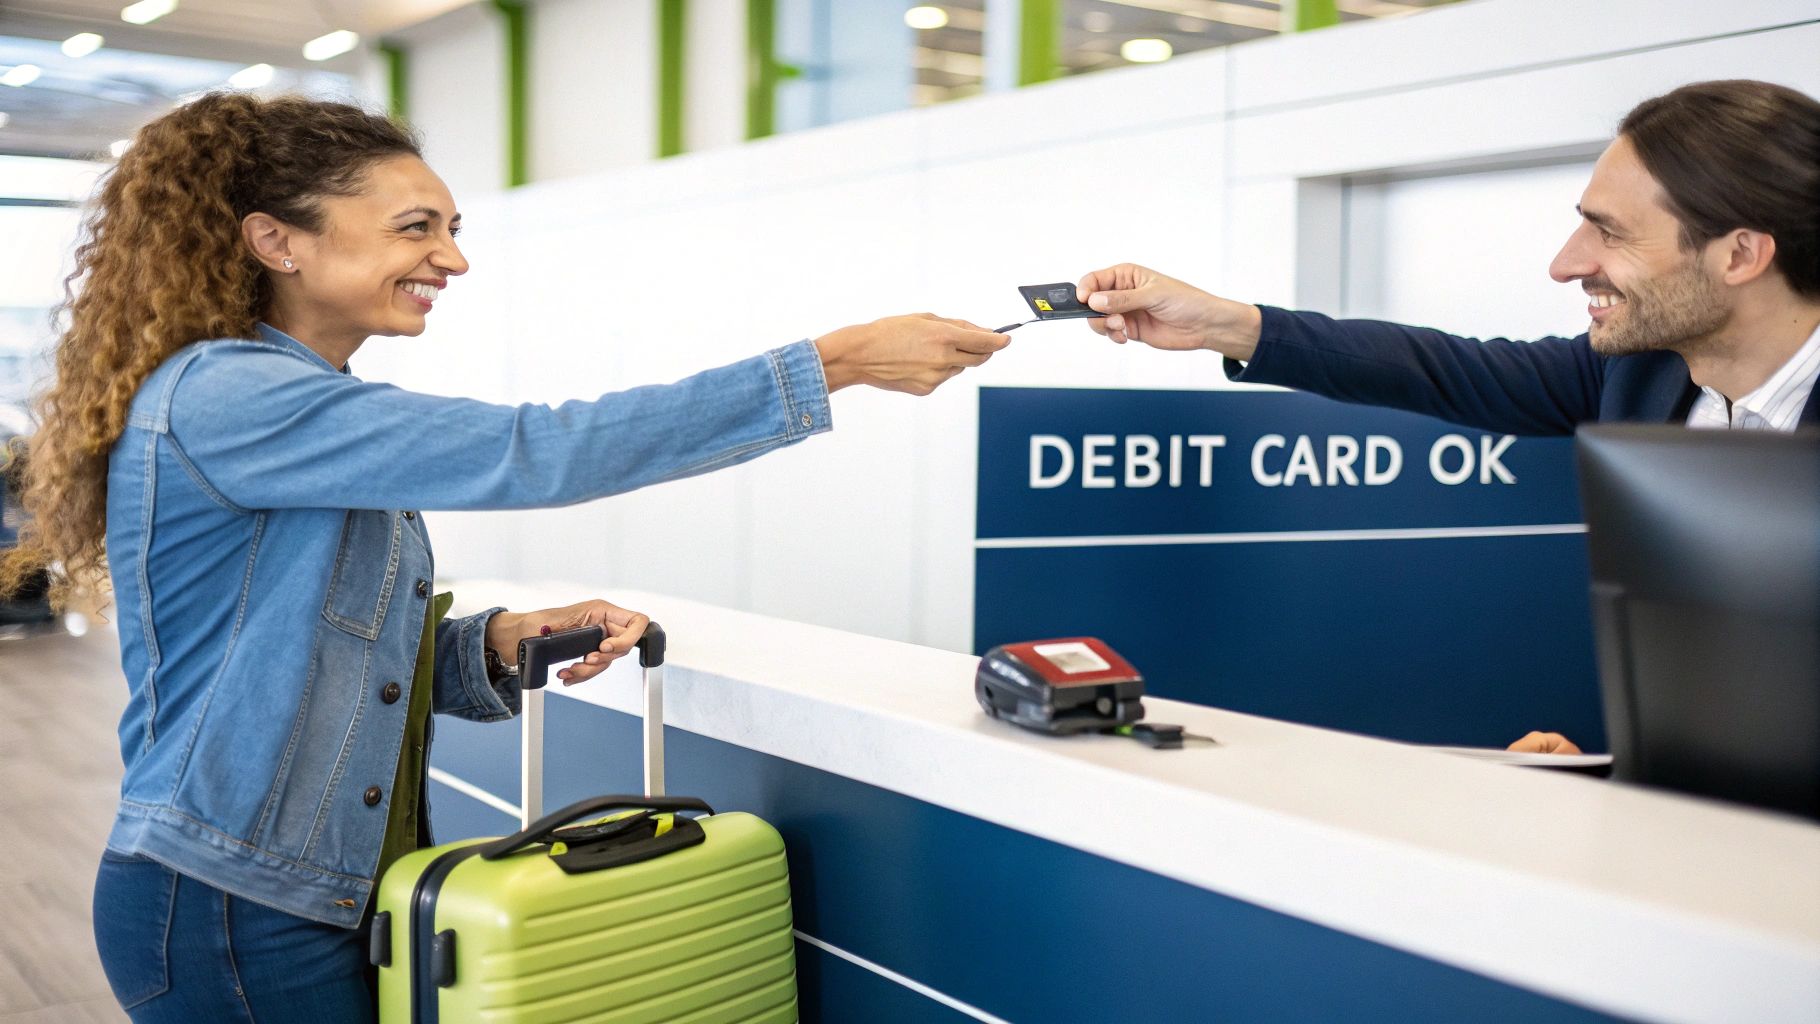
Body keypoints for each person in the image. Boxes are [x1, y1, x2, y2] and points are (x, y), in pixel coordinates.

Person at [0, 93, 1007, 1022]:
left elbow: (305, 650)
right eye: (416, 228)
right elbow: (536, 448)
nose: (452, 259)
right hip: (233, 905)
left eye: (451, 229)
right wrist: (835, 363)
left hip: (318, 887)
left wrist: (492, 643)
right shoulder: (230, 395)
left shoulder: (299, 404)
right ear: (279, 241)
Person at [1072, 79, 1820, 755]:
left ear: (1741, 254)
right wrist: (1224, 325)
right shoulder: (1641, 373)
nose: (1566, 263)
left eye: (1611, 232)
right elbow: (1441, 368)